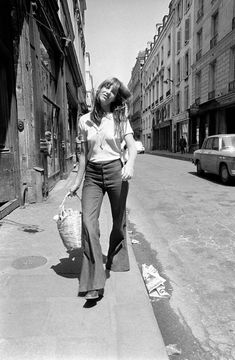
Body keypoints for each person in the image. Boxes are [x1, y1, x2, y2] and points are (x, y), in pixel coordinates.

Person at [69, 77, 137, 301]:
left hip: (116, 171)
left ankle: (116, 259)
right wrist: (77, 181)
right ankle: (94, 282)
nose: (107, 91)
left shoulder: (119, 118)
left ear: (116, 98)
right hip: (92, 175)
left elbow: (132, 146)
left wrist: (130, 164)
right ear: (99, 89)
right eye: (106, 87)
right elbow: (82, 155)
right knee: (88, 224)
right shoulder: (83, 120)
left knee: (119, 220)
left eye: (113, 91)